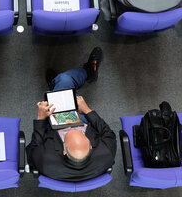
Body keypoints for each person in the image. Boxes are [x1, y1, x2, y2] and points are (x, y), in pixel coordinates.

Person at [26, 47, 117, 182]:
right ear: (90, 146)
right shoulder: (105, 153)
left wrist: (40, 118)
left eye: (70, 133)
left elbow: (34, 147)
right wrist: (87, 110)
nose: (73, 126)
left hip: (55, 126)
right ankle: (87, 73)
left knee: (64, 80)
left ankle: (60, 82)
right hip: (83, 119)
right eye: (80, 131)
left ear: (64, 151)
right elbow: (107, 133)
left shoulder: (46, 161)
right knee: (64, 83)